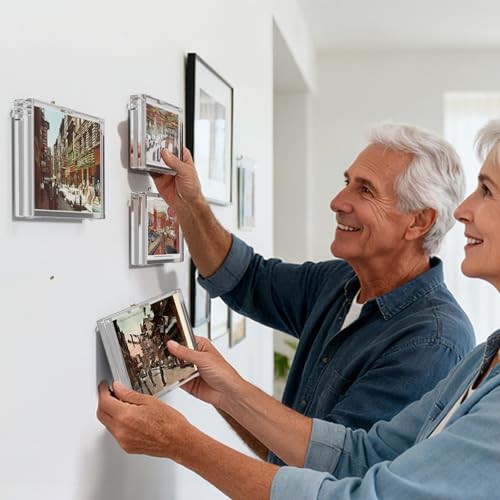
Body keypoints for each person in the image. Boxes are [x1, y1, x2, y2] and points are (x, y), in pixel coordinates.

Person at [98, 118, 500, 499]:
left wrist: (180, 441)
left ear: (419, 222)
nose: (337, 201)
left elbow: (341, 482)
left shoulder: (434, 340)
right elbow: (246, 279)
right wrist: (188, 204)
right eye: (346, 182)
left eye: (365, 190)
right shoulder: (339, 283)